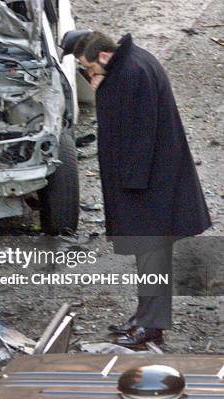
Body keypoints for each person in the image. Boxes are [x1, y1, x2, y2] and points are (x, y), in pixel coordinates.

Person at [67, 31, 211, 347]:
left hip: (146, 188)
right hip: (151, 182)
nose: (90, 76)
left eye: (89, 69)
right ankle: (144, 318)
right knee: (149, 258)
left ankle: (151, 325)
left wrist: (130, 189)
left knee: (152, 258)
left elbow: (138, 131)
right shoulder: (133, 62)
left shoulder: (131, 73)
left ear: (103, 56)